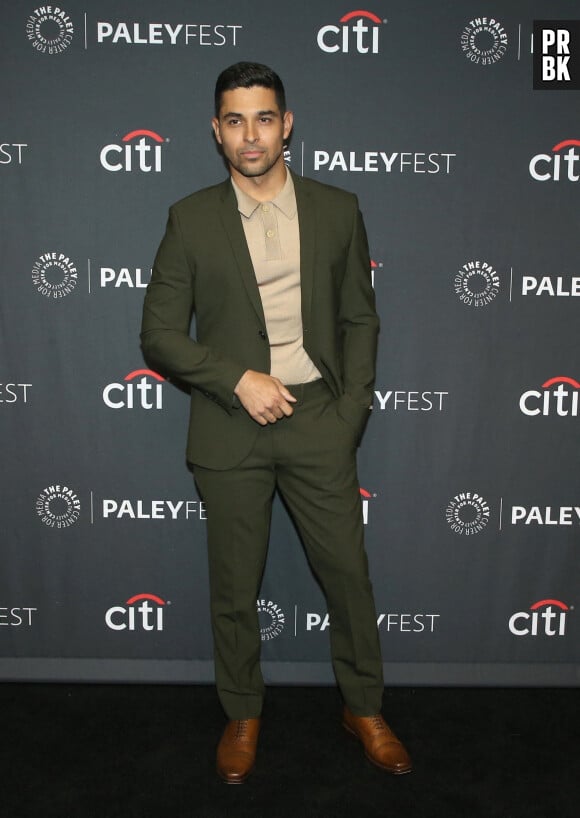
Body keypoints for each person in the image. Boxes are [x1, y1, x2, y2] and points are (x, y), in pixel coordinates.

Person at [141, 61, 412, 783]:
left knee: (348, 576)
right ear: (216, 130)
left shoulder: (337, 208)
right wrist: (236, 378)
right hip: (231, 429)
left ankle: (364, 706)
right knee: (235, 586)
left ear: (285, 124)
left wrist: (349, 411)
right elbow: (160, 334)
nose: (250, 134)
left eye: (264, 118)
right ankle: (243, 712)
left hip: (319, 422)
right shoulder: (190, 217)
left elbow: (360, 317)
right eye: (234, 120)